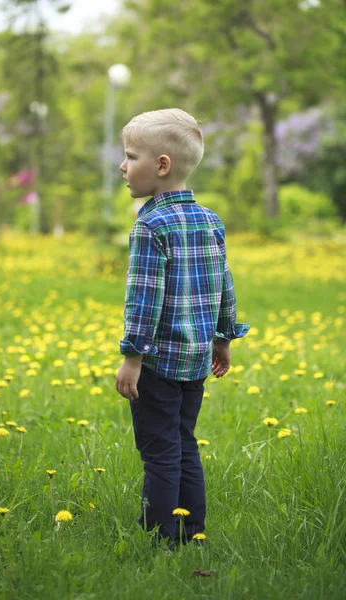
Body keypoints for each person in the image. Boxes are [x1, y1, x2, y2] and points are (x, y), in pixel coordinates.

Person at [115, 108, 249, 543]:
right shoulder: (211, 221)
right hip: (194, 362)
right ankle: (192, 530)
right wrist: (224, 338)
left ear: (161, 165)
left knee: (160, 453)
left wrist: (132, 358)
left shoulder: (150, 225)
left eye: (130, 156)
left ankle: (160, 538)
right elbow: (223, 284)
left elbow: (143, 300)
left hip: (157, 364)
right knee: (184, 443)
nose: (123, 166)